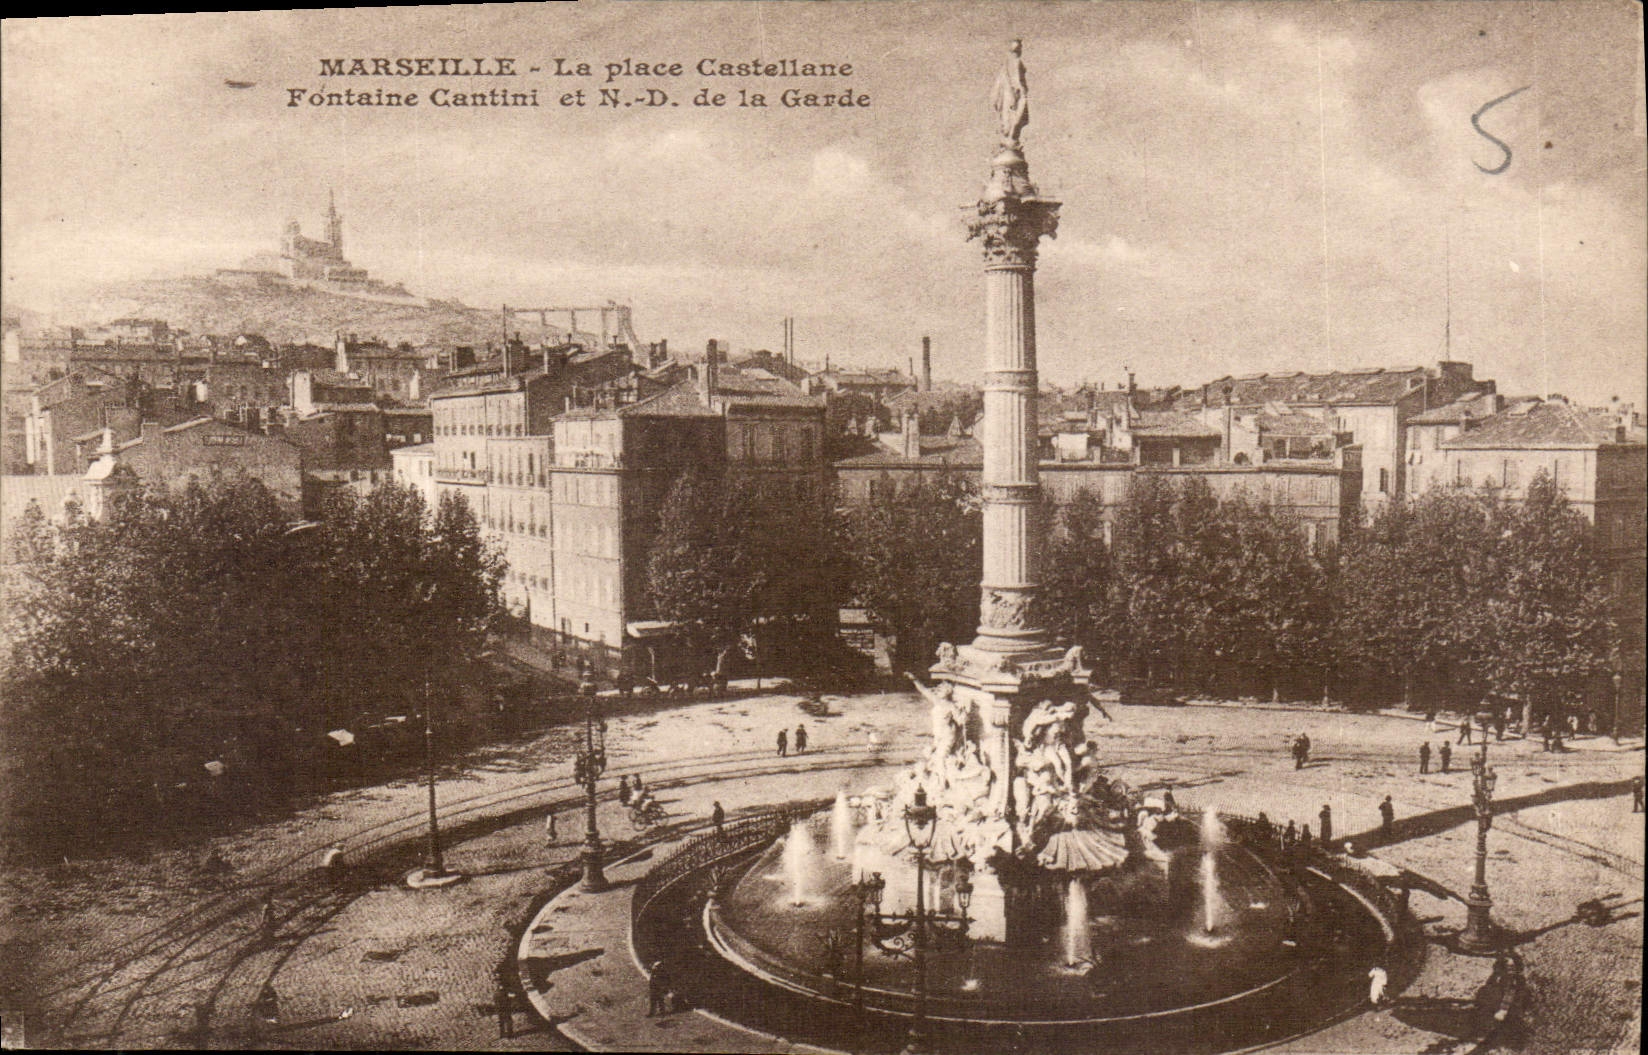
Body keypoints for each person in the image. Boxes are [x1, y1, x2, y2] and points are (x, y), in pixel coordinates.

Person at [495, 961, 515, 1039]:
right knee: (502, 1016)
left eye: (498, 974)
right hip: (499, 997)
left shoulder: (506, 980)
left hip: (503, 997)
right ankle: (503, 1033)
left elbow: (511, 987)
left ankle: (508, 1033)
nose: (497, 976)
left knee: (505, 1015)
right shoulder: (499, 980)